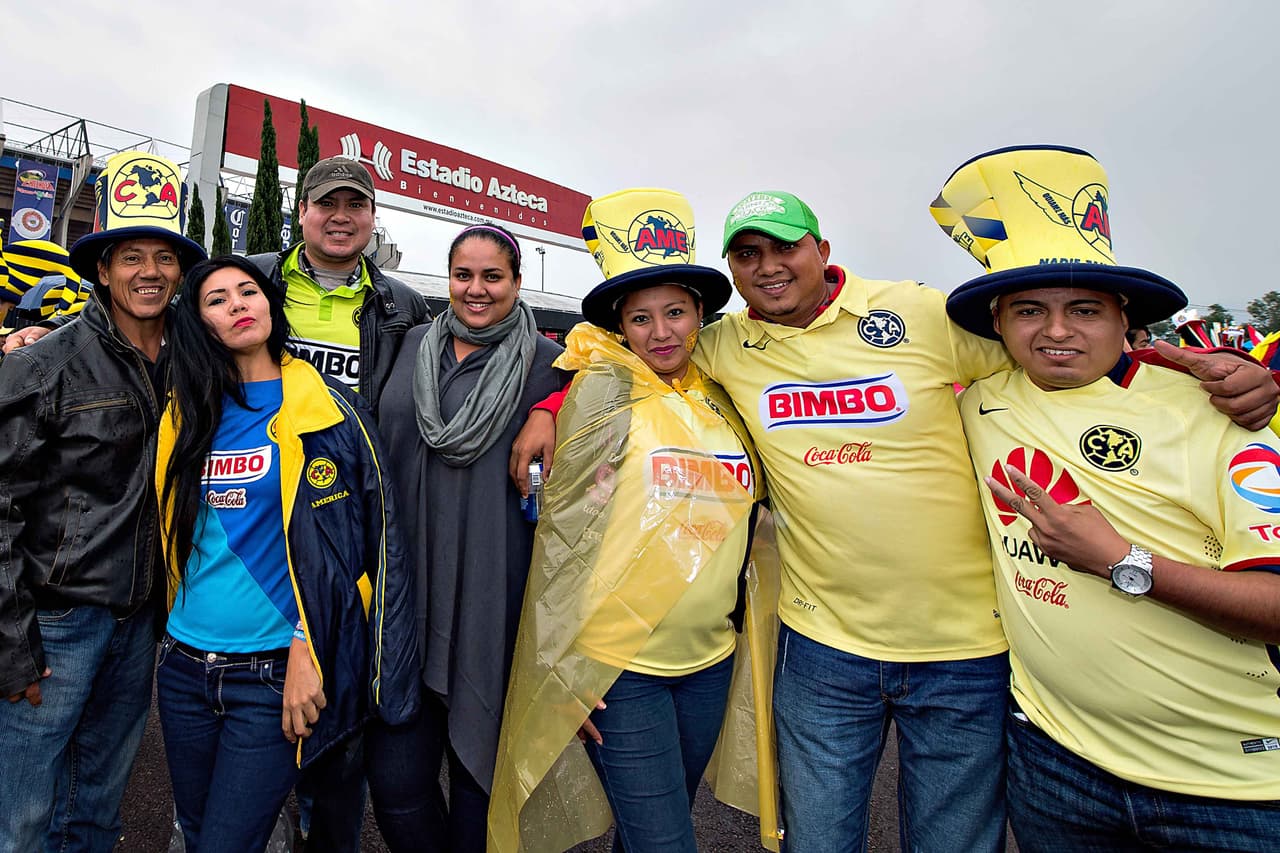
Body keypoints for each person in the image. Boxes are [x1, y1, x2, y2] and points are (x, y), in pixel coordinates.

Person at [513, 182, 1279, 851]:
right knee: (819, 838)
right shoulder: (724, 343)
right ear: (733, 274)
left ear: (821, 248)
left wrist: (1193, 367)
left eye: (784, 247)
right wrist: (550, 405)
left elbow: (1050, 352)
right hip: (823, 652)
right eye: (746, 255)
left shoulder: (916, 311)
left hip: (966, 652)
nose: (768, 266)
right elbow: (621, 351)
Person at [938, 144, 1280, 852]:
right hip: (1055, 762)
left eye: (1084, 309)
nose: (1056, 331)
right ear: (997, 324)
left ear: (1125, 318)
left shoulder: (1216, 411)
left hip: (1229, 785)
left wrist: (1124, 560)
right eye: (1030, 309)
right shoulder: (977, 405)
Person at [489, 189, 773, 853]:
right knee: (666, 842)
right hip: (621, 670)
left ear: (701, 314)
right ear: (622, 327)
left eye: (676, 312)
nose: (662, 331)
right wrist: (567, 668)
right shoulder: (600, 392)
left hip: (710, 662)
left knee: (651, 832)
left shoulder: (726, 397)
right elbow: (563, 543)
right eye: (641, 319)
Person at [154, 254, 418, 851]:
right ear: (201, 324)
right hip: (183, 667)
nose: (237, 305)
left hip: (274, 673)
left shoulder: (331, 409)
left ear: (270, 304)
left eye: (247, 291)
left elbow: (367, 544)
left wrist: (309, 642)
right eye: (216, 300)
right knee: (195, 833)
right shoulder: (185, 409)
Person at [0, 151, 207, 852]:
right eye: (130, 256)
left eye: (163, 256)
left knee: (96, 813)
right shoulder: (42, 362)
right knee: (22, 821)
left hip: (140, 622)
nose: (149, 271)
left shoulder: (195, 359)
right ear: (102, 268)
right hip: (54, 624)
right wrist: (10, 640)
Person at [367, 221, 567, 852]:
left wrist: (549, 407)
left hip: (492, 598)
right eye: (464, 275)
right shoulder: (410, 342)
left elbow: (622, 378)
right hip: (405, 591)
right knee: (396, 785)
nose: (476, 290)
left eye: (493, 277)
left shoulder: (550, 363)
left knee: (481, 790)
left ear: (516, 282)